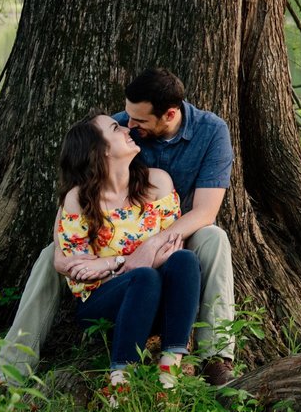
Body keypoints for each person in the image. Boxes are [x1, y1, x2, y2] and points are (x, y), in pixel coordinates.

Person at [0, 67, 237, 385]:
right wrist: (65, 258)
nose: (129, 125)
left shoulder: (211, 132)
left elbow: (206, 211)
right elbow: (78, 190)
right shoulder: (119, 130)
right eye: (125, 119)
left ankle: (216, 356)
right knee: (50, 255)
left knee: (214, 237)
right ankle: (12, 367)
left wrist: (153, 246)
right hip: (113, 237)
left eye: (138, 122)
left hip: (178, 233)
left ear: (168, 115)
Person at [53, 113, 200, 394]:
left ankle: (168, 375)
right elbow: (81, 273)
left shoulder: (157, 183)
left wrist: (108, 263)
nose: (125, 128)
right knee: (144, 277)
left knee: (184, 260)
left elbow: (172, 249)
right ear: (101, 150)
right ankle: (120, 385)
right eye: (114, 127)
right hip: (104, 303)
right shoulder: (79, 199)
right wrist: (134, 263)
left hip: (160, 303)